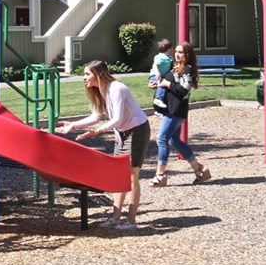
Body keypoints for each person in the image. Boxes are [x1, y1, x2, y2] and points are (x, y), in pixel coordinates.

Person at [56, 60, 151, 230]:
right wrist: (74, 125)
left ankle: (131, 221)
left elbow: (118, 119)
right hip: (122, 133)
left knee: (131, 175)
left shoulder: (117, 88)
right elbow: (96, 116)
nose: (84, 78)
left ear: (98, 75)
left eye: (87, 74)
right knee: (118, 174)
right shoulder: (99, 91)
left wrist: (97, 131)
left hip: (136, 130)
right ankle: (115, 218)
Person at [149, 41, 212, 187]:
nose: (177, 54)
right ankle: (199, 170)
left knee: (161, 139)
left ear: (187, 55)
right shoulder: (175, 67)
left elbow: (183, 90)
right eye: (176, 51)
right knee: (173, 140)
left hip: (176, 110)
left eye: (181, 52)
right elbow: (170, 86)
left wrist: (167, 84)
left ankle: (160, 175)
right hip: (170, 108)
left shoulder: (187, 70)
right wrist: (157, 85)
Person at [149, 39, 174, 109]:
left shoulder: (167, 58)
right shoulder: (161, 57)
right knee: (162, 85)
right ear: (169, 49)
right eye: (172, 48)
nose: (173, 50)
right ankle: (158, 99)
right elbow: (154, 65)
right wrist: (157, 73)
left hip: (158, 76)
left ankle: (157, 108)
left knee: (161, 86)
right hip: (155, 76)